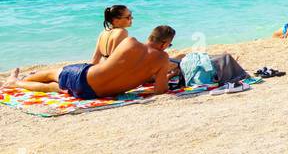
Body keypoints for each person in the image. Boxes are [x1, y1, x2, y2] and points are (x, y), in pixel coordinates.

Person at [7, 26, 177, 99]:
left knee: (54, 73)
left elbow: (115, 64)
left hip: (85, 79)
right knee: (54, 87)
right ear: (164, 44)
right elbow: (160, 91)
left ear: (150, 37)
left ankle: (15, 81)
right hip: (95, 94)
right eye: (170, 45)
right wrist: (161, 77)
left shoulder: (130, 41)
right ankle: (16, 83)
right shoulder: (162, 58)